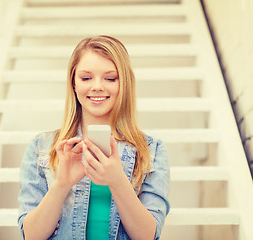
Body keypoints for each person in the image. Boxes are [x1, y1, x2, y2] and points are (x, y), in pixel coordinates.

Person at [18, 35, 170, 240]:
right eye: (86, 78)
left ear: (123, 83)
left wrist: (117, 181)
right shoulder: (42, 148)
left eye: (110, 78)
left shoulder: (151, 150)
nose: (97, 86)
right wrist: (61, 184)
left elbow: (147, 236)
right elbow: (31, 236)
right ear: (73, 83)